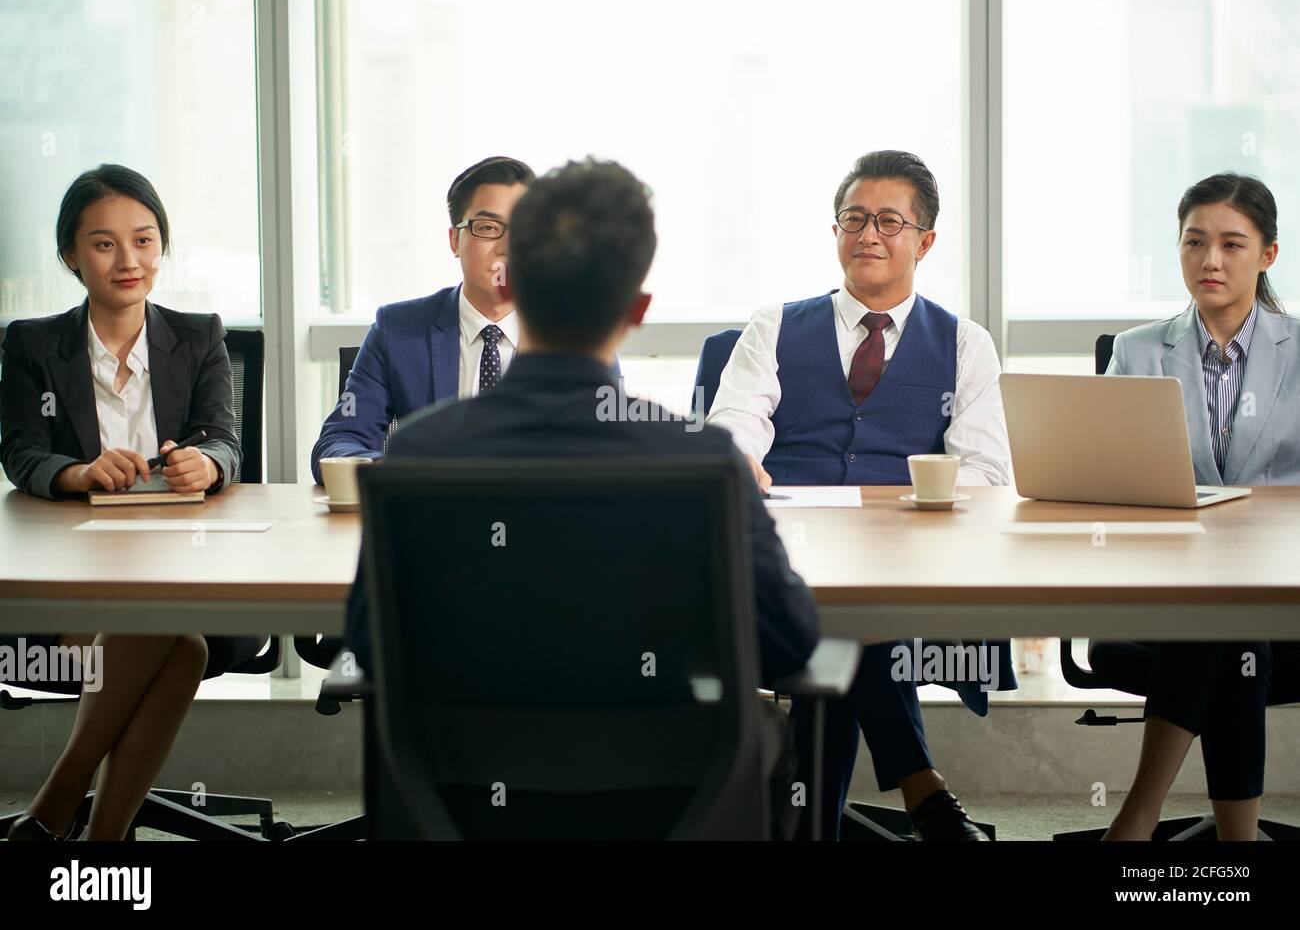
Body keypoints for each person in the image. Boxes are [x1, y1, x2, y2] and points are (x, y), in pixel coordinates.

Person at [343, 158, 820, 838]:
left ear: (519, 280)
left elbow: (367, 640)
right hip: (672, 789)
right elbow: (791, 643)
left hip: (464, 790)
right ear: (638, 310)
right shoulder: (703, 459)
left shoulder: (421, 451)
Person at [707, 150, 1015, 839]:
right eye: (854, 218)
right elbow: (734, 424)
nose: (867, 234)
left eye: (888, 221)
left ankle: (813, 823)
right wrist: (740, 462)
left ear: (924, 241)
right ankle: (923, 791)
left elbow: (987, 473)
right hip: (789, 558)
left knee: (844, 631)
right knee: (843, 627)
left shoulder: (965, 344)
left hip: (907, 568)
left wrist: (907, 500)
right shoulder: (776, 326)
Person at [0, 163, 263, 839]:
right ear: (70, 255)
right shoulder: (33, 345)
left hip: (195, 574)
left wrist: (206, 463)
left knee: (175, 627)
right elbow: (22, 453)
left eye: (144, 240)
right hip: (72, 589)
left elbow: (227, 443)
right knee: (178, 641)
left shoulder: (198, 334)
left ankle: (57, 811)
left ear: (161, 247)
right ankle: (99, 839)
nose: (128, 260)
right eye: (104, 243)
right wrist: (81, 472)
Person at [1098, 172, 1300, 841]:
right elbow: (1105, 480)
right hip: (1164, 584)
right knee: (1220, 616)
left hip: (1283, 591)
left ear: (1268, 254)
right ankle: (1239, 844)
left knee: (1226, 616)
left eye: (1232, 245)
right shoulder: (1137, 352)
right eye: (1194, 242)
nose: (1210, 261)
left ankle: (1136, 816)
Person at [310, 156, 536, 482]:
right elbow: (339, 441)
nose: (506, 248)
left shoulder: (576, 334)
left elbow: (606, 447)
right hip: (430, 520)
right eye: (487, 228)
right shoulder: (397, 331)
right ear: (455, 241)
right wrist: (408, 479)